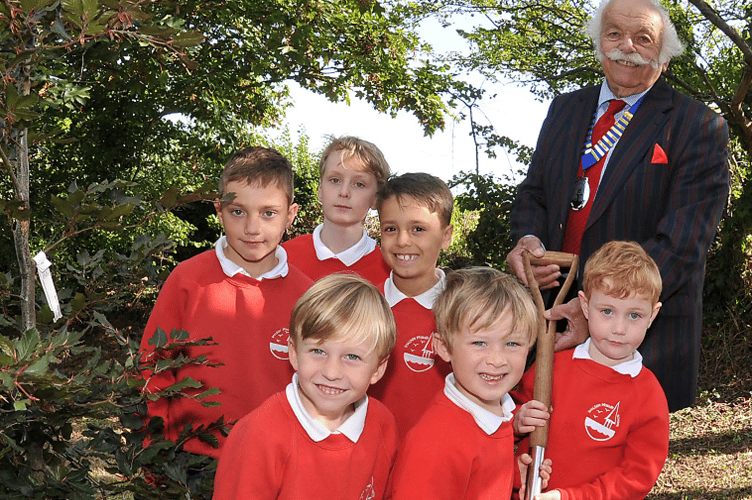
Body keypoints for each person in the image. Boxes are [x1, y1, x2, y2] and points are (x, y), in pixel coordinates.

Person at [506, 0, 730, 411]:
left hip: (637, 335)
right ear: (598, 40)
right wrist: (527, 240)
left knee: (617, 466)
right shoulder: (564, 108)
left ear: (663, 54)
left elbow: (683, 242)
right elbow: (534, 192)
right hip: (548, 318)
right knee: (537, 453)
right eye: (613, 33)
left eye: (643, 38)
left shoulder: (698, 124)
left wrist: (600, 309)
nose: (625, 45)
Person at [139, 146, 313, 458]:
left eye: (268, 213)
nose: (252, 228)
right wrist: (155, 450)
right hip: (189, 457)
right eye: (238, 212)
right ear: (219, 210)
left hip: (272, 460)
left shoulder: (308, 297)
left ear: (291, 215)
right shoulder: (187, 280)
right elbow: (153, 367)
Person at [212, 273, 398, 500]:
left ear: (378, 369)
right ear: (294, 353)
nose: (331, 373)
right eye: (318, 352)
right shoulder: (259, 436)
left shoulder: (382, 425)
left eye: (352, 357)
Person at [512, 241, 670, 500]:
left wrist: (569, 497)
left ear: (652, 315)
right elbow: (504, 419)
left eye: (634, 316)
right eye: (607, 311)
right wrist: (517, 423)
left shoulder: (648, 395)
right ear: (585, 306)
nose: (619, 328)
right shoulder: (551, 367)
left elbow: (635, 478)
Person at [387, 267, 551, 499]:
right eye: (479, 343)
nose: (496, 360)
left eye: (512, 344)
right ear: (444, 348)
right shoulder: (436, 442)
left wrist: (515, 475)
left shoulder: (493, 413)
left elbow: (474, 477)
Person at [369, 172, 454, 438]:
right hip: (372, 459)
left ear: (446, 236)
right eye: (390, 229)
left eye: (418, 229)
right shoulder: (363, 308)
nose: (403, 241)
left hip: (441, 459)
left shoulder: (465, 311)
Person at [283, 135, 392, 285]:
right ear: (320, 190)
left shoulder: (390, 272)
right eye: (335, 180)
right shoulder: (282, 258)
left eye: (359, 184)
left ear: (376, 199)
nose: (344, 192)